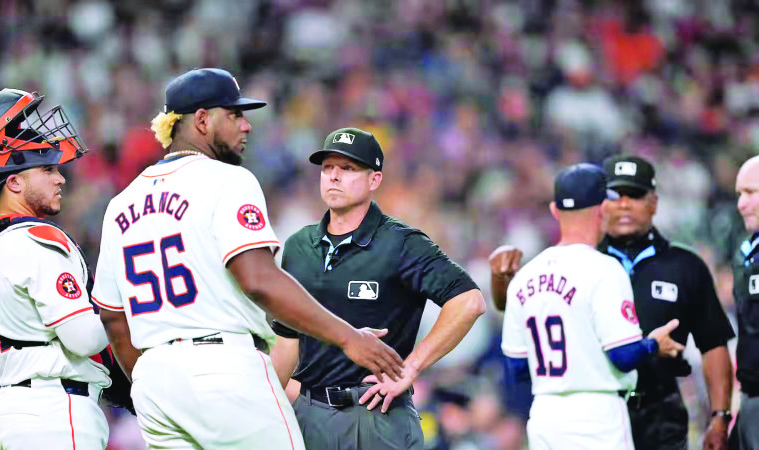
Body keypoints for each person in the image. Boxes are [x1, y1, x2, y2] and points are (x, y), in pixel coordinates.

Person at [90, 69, 404, 449]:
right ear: (202, 120)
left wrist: (151, 380)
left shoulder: (120, 203)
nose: (247, 125)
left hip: (155, 382)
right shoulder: (226, 179)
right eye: (235, 114)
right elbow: (258, 279)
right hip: (223, 370)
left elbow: (112, 316)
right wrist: (348, 337)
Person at [492, 156, 735, 450]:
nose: (623, 204)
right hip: (601, 410)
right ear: (601, 208)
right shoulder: (603, 268)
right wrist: (653, 345)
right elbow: (623, 355)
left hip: (562, 414)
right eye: (615, 196)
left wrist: (720, 416)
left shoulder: (532, 272)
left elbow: (516, 367)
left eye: (634, 195)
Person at [269, 127, 487, 450]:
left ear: (375, 180)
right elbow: (287, 341)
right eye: (328, 167)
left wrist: (411, 366)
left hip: (378, 415)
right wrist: (264, 404)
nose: (334, 177)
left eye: (348, 168)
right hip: (310, 413)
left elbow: (469, 301)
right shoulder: (299, 246)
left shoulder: (400, 243)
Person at [0, 89, 112, 449]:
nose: (60, 179)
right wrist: (119, 298)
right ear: (13, 182)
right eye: (47, 169)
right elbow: (85, 339)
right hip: (55, 412)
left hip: (11, 409)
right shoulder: (37, 239)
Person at [733, 155, 759, 450]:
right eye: (740, 194)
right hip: (750, 397)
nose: (741, 204)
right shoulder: (747, 253)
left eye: (751, 192)